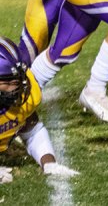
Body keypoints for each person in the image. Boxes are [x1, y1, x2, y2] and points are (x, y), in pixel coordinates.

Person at [0, 36, 79, 184]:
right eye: (8, 81)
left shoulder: (25, 94)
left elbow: (32, 131)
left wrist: (49, 163)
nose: (16, 88)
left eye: (18, 79)